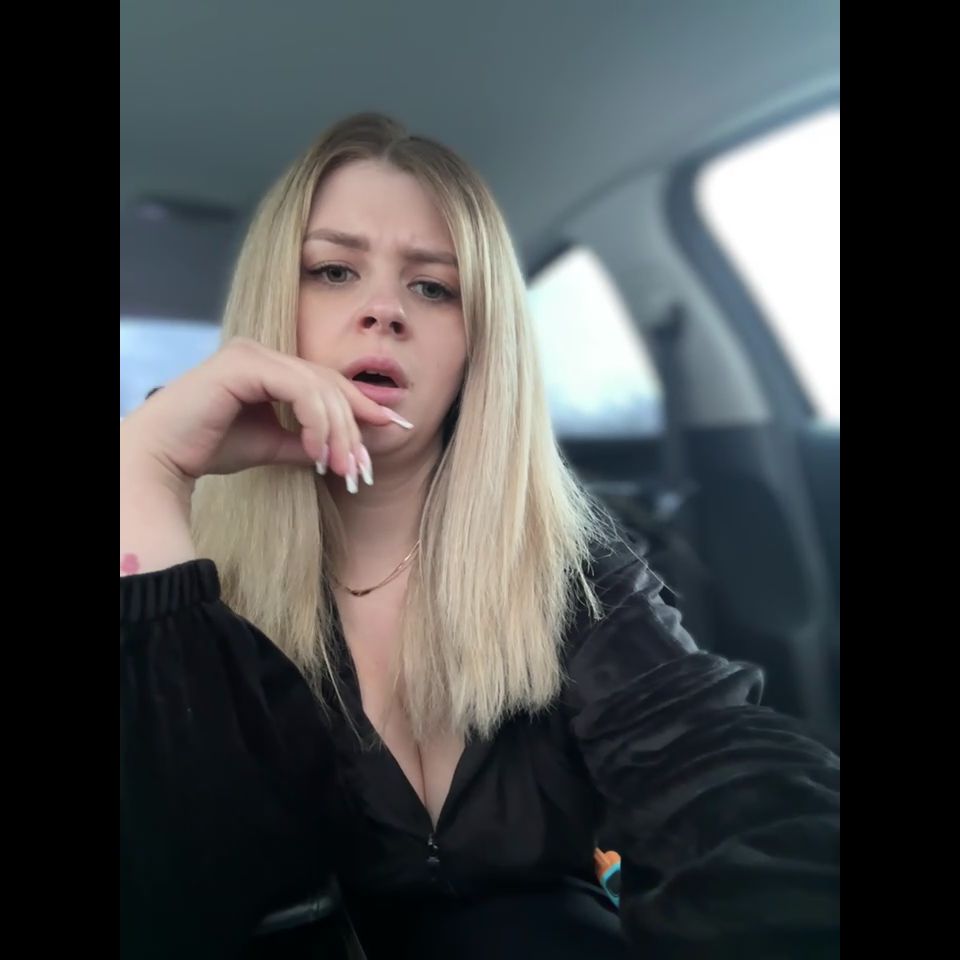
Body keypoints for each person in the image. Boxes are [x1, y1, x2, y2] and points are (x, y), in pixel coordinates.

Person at [120, 113, 839, 959]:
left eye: (434, 287)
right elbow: (175, 887)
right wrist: (146, 468)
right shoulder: (184, 574)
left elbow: (718, 767)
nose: (383, 310)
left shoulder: (571, 563)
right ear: (274, 311)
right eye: (334, 271)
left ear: (479, 343)